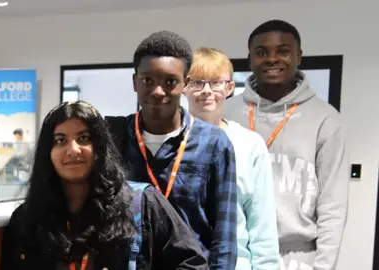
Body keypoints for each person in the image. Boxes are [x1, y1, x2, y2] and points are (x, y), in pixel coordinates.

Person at [0, 101, 208, 270]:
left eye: (84, 138)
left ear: (100, 148)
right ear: (48, 153)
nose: (73, 149)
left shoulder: (141, 203)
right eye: (60, 141)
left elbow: (193, 264)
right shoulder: (27, 219)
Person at [106, 30, 237, 269]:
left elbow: (224, 235)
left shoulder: (214, 143)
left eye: (170, 81)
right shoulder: (114, 137)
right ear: (135, 82)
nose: (158, 91)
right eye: (148, 81)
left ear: (185, 83)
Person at [223, 20, 349, 270]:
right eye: (261, 53)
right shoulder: (226, 112)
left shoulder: (326, 119)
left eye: (282, 51)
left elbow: (333, 206)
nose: (272, 59)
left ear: (299, 56)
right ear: (250, 60)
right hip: (235, 254)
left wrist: (323, 267)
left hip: (297, 258)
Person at [184, 47, 280, 270]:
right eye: (197, 82)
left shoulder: (250, 145)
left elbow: (262, 227)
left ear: (229, 88)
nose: (206, 90)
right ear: (184, 87)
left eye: (216, 82)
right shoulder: (171, 142)